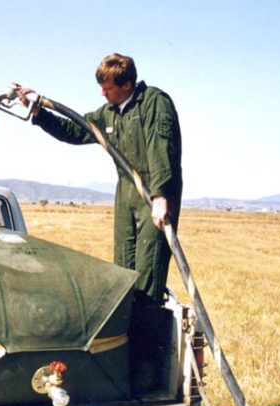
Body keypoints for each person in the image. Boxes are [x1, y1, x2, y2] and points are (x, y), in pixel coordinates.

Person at [17, 53, 182, 309]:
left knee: (148, 271)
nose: (102, 94)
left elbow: (162, 149)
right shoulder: (107, 113)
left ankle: (146, 341)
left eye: (107, 89)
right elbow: (73, 130)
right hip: (125, 192)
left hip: (154, 193)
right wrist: (39, 113)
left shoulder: (154, 102)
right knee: (123, 270)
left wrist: (160, 197)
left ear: (126, 85)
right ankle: (124, 336)